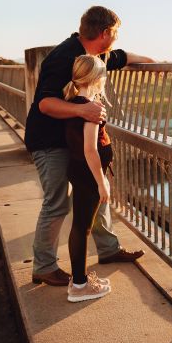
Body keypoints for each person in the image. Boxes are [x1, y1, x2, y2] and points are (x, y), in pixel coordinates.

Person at [25, 6, 154, 286]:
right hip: (50, 141)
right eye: (116, 33)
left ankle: (108, 250)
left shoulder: (94, 55)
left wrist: (153, 63)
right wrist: (83, 112)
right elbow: (45, 104)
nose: (117, 39)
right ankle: (44, 266)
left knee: (95, 191)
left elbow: (121, 57)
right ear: (105, 33)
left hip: (70, 140)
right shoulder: (63, 57)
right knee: (56, 203)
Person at [63, 55, 114, 301]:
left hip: (78, 169)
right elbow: (90, 149)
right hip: (87, 173)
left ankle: (79, 279)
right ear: (96, 78)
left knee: (80, 224)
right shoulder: (92, 107)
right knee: (82, 227)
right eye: (103, 75)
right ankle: (80, 287)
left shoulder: (74, 101)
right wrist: (101, 182)